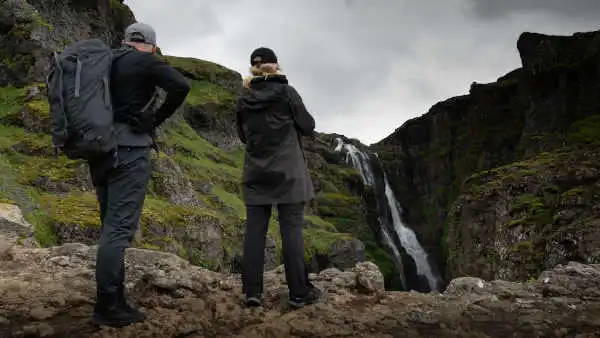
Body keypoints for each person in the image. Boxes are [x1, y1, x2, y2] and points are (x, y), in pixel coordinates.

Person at [89, 22, 190, 327]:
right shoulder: (145, 60)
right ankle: (107, 305)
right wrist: (155, 119)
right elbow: (181, 86)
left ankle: (116, 299)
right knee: (118, 231)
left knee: (110, 227)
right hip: (130, 150)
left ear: (125, 40)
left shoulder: (106, 60)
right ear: (149, 44)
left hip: (100, 150)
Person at [235, 47, 322, 309]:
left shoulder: (244, 98)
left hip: (256, 172)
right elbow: (308, 126)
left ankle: (252, 293)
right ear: (276, 66)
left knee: (254, 232)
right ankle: (298, 293)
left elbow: (242, 136)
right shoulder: (287, 92)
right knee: (291, 231)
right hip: (288, 172)